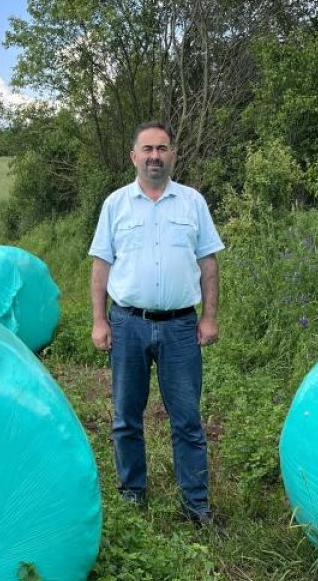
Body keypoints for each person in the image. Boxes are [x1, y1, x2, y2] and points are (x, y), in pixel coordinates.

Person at [88, 120, 223, 526]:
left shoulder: (192, 202)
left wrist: (210, 316)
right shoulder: (115, 204)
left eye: (162, 148)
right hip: (127, 324)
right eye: (147, 149)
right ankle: (132, 494)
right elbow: (100, 265)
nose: (154, 156)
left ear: (173, 155)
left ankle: (196, 504)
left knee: (187, 419)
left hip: (180, 327)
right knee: (126, 417)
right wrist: (99, 320)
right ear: (133, 156)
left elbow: (208, 262)